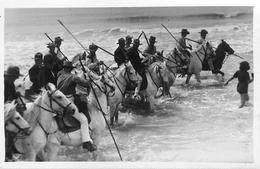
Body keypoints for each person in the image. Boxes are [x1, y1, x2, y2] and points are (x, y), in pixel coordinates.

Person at [57, 61, 97, 152]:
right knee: (84, 120)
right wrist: (88, 76)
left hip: (59, 101)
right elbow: (86, 84)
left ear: (64, 68)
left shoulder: (59, 77)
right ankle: (86, 142)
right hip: (68, 101)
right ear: (71, 69)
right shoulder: (73, 77)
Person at [4, 66, 23, 161]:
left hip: (9, 107)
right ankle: (7, 153)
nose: (16, 78)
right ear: (10, 76)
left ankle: (14, 147)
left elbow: (11, 95)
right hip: (4, 109)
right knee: (7, 130)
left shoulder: (10, 83)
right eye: (15, 76)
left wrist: (16, 94)